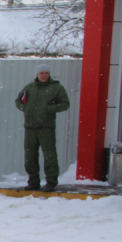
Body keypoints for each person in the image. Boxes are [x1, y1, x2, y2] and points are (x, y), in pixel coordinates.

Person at [14, 64, 71, 192]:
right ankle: (33, 182)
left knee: (49, 155)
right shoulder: (29, 88)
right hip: (30, 128)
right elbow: (18, 100)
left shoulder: (56, 88)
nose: (44, 75)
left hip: (46, 127)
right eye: (41, 73)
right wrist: (24, 108)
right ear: (37, 74)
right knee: (30, 156)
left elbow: (65, 104)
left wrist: (49, 109)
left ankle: (51, 182)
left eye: (46, 73)